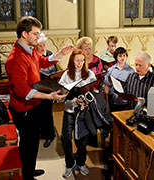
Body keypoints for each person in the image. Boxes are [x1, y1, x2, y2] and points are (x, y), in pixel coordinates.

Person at [5, 16, 75, 180]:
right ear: (24, 34)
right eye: (35, 34)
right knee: (28, 143)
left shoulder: (29, 50)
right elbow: (23, 91)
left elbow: (43, 62)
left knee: (33, 140)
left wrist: (61, 53)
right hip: (23, 109)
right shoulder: (15, 59)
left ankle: (29, 169)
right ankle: (27, 175)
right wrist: (49, 96)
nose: (38, 37)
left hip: (33, 105)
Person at [58, 49, 96, 178]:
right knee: (65, 137)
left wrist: (87, 101)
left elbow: (94, 92)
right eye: (77, 60)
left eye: (82, 60)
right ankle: (69, 164)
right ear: (72, 61)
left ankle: (81, 163)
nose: (79, 63)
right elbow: (61, 96)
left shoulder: (89, 74)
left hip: (84, 110)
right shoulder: (67, 74)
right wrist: (65, 94)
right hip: (69, 108)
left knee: (81, 140)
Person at [35, 32, 57, 148]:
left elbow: (54, 69)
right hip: (37, 88)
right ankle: (40, 133)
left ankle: (49, 135)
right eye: (40, 46)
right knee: (38, 112)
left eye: (44, 45)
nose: (43, 48)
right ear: (36, 47)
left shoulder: (50, 54)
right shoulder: (34, 55)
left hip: (48, 88)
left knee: (47, 113)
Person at [104, 47, 135, 112]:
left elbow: (133, 88)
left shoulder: (131, 71)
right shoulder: (110, 70)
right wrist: (106, 104)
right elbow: (106, 87)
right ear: (116, 57)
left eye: (124, 55)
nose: (123, 58)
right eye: (120, 56)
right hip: (113, 103)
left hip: (126, 103)